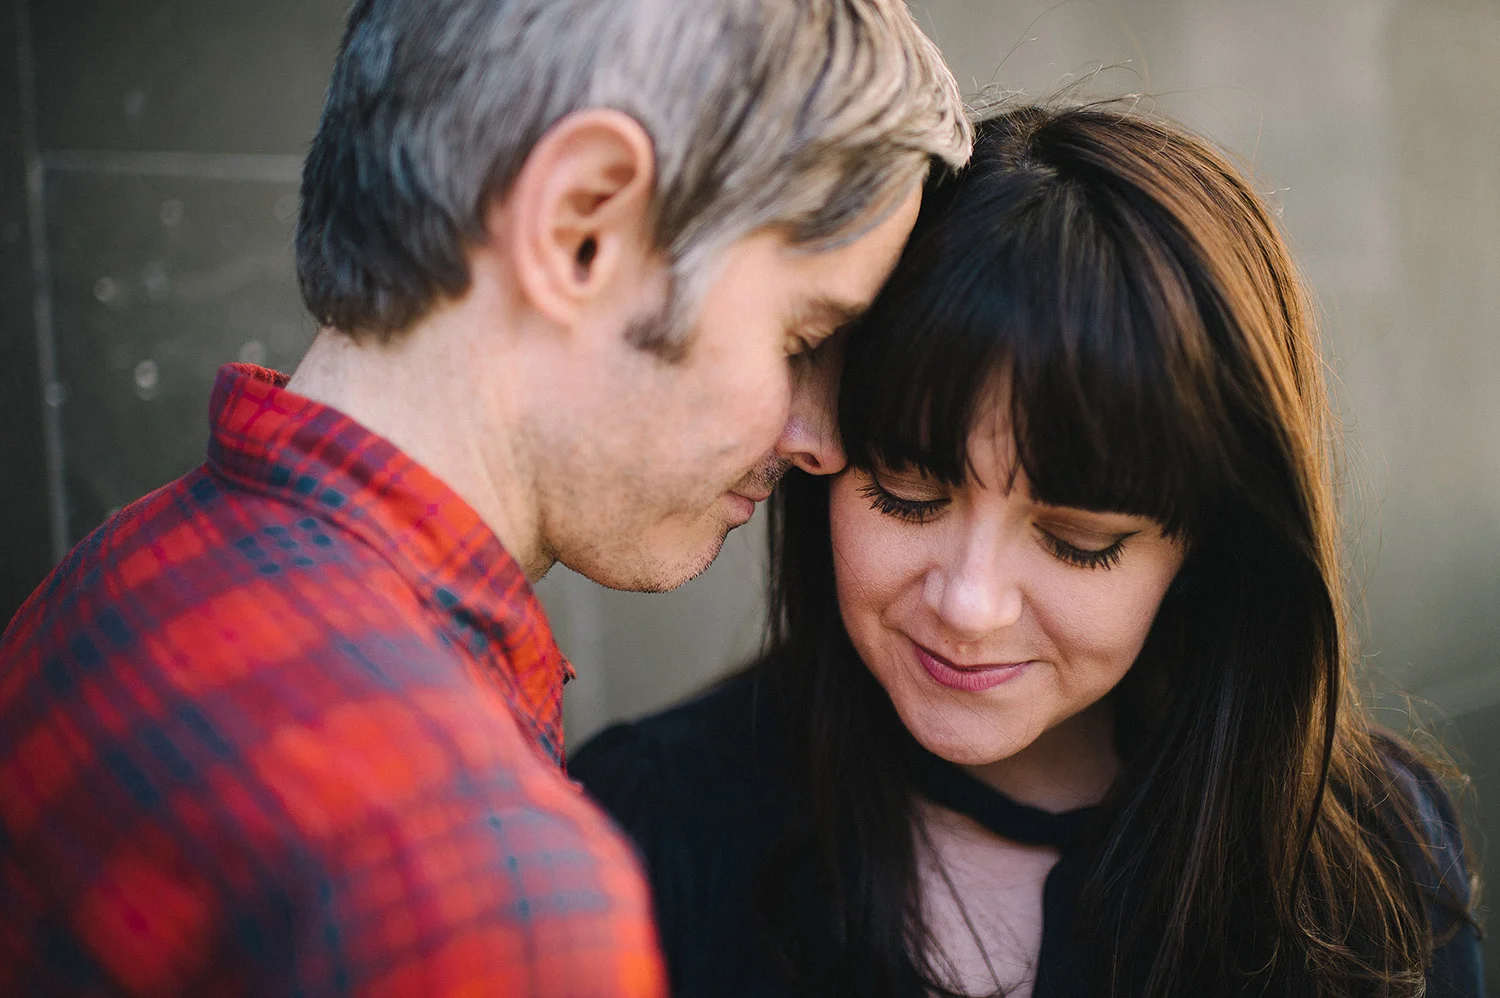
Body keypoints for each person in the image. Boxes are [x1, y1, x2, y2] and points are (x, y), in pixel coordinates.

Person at [0, 1, 970, 993]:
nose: (825, 439)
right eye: (802, 339)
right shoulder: (486, 885)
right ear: (581, 223)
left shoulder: (115, 573)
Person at [573, 103, 1484, 998]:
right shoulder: (642, 833)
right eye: (908, 495)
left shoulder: (1372, 875)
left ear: (1209, 545)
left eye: (1078, 542)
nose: (969, 605)